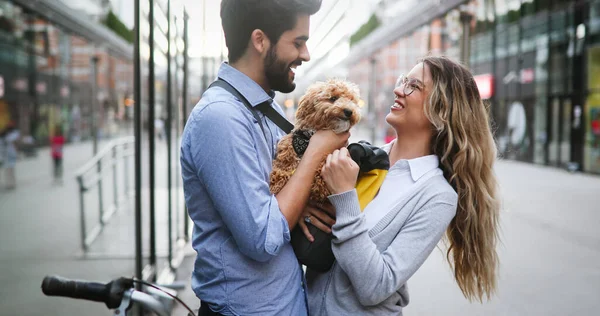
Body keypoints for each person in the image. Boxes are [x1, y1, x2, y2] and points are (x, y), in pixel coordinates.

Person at [179, 0, 348, 315]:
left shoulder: (260, 109)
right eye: (297, 42)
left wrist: (294, 202)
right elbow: (263, 238)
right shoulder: (222, 117)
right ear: (260, 40)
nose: (305, 55)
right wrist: (315, 154)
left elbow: (273, 195)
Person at [305, 56, 501, 315]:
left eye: (414, 86)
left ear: (441, 112)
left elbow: (376, 286)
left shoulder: (437, 196)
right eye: (403, 81)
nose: (399, 90)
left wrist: (345, 196)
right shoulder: (362, 159)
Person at [1, 121, 19, 190]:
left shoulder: (13, 134)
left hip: (10, 154)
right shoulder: (4, 137)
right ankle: (9, 183)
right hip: (6, 155)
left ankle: (12, 183)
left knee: (10, 169)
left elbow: (13, 139)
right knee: (8, 169)